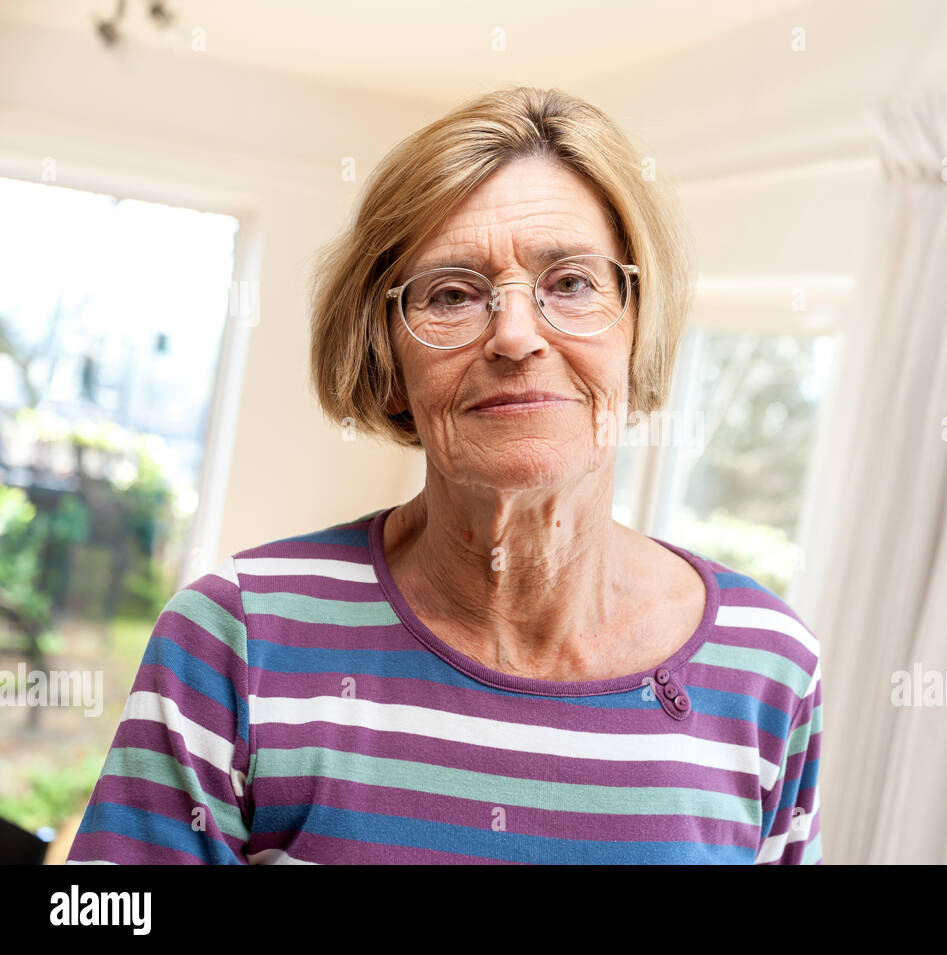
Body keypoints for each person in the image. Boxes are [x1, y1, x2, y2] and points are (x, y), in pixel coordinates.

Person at [66, 86, 822, 864]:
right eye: (454, 293)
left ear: (636, 327)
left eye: (570, 282)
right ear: (385, 358)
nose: (517, 335)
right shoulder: (236, 637)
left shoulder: (769, 667)